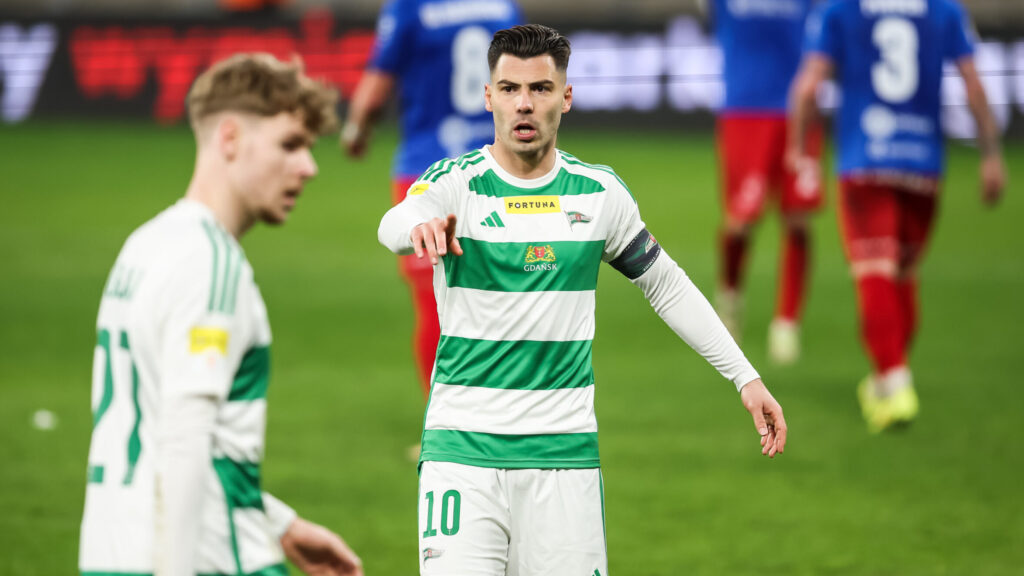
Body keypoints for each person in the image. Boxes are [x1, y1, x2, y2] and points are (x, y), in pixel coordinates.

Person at [378, 24, 788, 575]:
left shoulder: (598, 194)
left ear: (565, 97)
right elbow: (397, 219)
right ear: (489, 96)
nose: (524, 103)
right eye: (509, 89)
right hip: (462, 456)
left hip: (564, 460)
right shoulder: (458, 184)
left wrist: (746, 377)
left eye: (541, 89)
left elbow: (665, 284)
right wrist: (419, 225)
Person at [78, 53, 364, 576]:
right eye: (290, 145)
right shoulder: (212, 265)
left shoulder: (146, 245)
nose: (309, 166)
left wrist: (276, 523)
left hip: (112, 548)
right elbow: (185, 436)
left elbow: (159, 425)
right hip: (205, 559)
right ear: (229, 139)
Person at [789, 0, 1005, 432]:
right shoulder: (942, 8)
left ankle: (895, 379)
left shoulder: (841, 8)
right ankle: (884, 378)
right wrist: (991, 155)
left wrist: (797, 151)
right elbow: (975, 86)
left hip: (864, 161)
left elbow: (809, 87)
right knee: (903, 274)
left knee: (875, 272)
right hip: (924, 166)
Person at [343, 0, 523, 397]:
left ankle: (443, 423)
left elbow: (374, 91)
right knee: (506, 297)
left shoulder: (409, 6)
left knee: (435, 303)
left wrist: (355, 132)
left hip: (426, 169)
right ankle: (505, 414)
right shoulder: (503, 6)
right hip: (498, 167)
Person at [710, 0, 823, 364]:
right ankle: (729, 296)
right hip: (745, 111)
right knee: (740, 222)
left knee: (798, 220)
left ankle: (786, 323)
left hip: (798, 112)